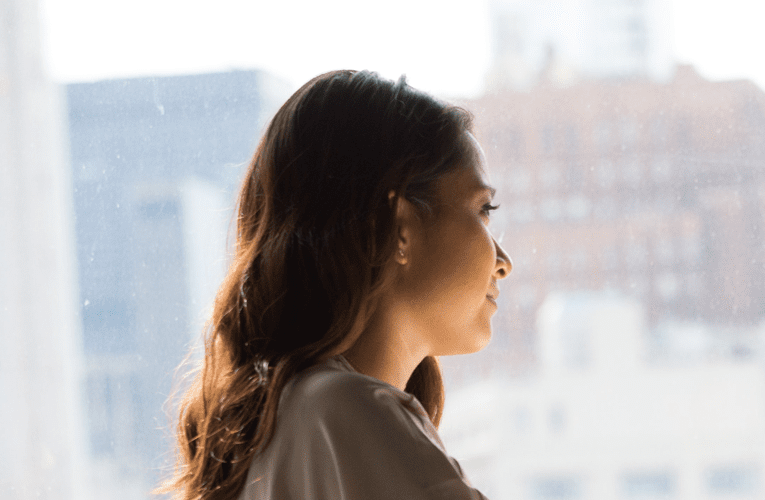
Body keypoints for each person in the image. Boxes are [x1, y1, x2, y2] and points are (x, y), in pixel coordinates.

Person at [163, 70, 509, 500]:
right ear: (399, 225)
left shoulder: (282, 421)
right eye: (483, 209)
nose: (503, 263)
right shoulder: (349, 412)